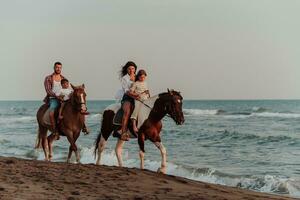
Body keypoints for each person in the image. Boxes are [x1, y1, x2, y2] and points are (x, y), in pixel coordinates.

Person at [115, 61, 138, 141]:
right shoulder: (125, 78)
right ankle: (123, 132)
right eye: (129, 69)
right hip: (128, 98)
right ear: (127, 70)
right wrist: (134, 95)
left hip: (138, 97)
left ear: (135, 69)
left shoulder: (138, 77)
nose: (131, 70)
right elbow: (126, 91)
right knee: (127, 111)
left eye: (133, 68)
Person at [43, 62, 65, 139]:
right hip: (54, 99)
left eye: (60, 67)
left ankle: (83, 127)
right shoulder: (48, 78)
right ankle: (55, 131)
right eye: (57, 67)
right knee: (51, 113)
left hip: (63, 98)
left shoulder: (63, 78)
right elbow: (48, 90)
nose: (58, 69)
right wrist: (56, 96)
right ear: (54, 68)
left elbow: (67, 88)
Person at [129, 70, 150, 134]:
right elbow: (131, 92)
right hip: (138, 99)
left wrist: (148, 94)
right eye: (141, 77)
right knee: (136, 109)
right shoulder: (136, 83)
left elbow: (146, 90)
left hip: (146, 99)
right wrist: (137, 95)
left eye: (144, 77)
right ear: (138, 77)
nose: (142, 78)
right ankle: (134, 125)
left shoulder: (145, 83)